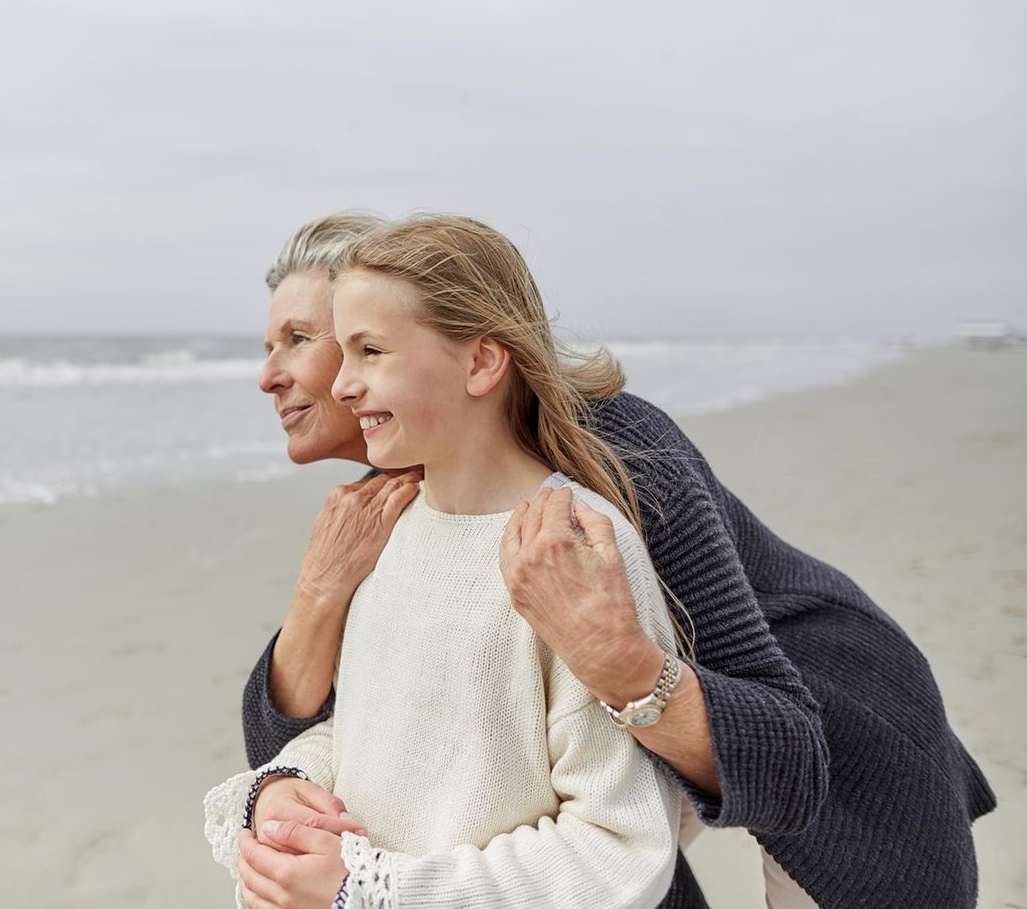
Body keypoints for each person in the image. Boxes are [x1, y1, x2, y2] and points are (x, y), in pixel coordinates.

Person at [236, 212, 995, 908]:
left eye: (303, 337)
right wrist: (317, 594)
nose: (273, 373)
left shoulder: (614, 450)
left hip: (834, 739)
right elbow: (344, 748)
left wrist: (619, 661)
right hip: (651, 747)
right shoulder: (398, 503)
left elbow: (789, 761)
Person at [205, 213, 683, 907]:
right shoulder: (391, 525)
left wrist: (373, 890)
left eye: (370, 350)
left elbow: (618, 844)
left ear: (483, 362)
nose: (342, 385)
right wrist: (286, 789)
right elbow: (374, 727)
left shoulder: (576, 546)